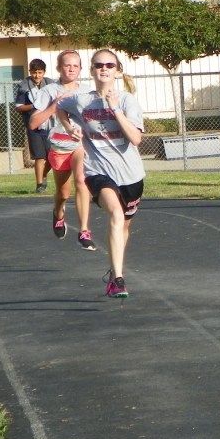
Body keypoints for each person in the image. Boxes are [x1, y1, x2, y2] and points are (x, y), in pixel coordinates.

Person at [56, 49, 146, 298]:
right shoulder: (81, 99)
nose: (103, 69)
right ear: (92, 70)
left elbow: (136, 139)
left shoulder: (128, 101)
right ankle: (118, 279)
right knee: (115, 215)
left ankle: (115, 268)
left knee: (123, 225)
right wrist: (69, 127)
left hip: (131, 176)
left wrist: (115, 109)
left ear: (117, 71)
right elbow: (60, 107)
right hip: (98, 172)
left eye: (109, 65)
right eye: (98, 65)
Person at [29, 50, 97, 250]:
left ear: (81, 69)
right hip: (59, 146)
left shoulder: (87, 91)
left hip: (80, 145)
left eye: (76, 65)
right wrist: (54, 106)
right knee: (63, 193)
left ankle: (84, 231)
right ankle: (58, 213)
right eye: (67, 65)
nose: (71, 69)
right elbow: (33, 123)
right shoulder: (48, 91)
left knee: (81, 181)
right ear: (59, 68)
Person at [14, 59, 55, 193]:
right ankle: (40, 185)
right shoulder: (24, 87)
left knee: (52, 156)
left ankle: (43, 175)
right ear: (30, 72)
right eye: (34, 72)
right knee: (39, 156)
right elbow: (19, 107)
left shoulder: (50, 84)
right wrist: (34, 106)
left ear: (44, 72)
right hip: (34, 126)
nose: (37, 76)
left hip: (51, 125)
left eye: (39, 72)